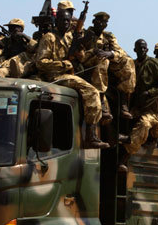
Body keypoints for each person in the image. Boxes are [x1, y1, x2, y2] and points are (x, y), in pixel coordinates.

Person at [32, 9, 109, 149]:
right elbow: (41, 63)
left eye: (68, 20)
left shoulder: (69, 37)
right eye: (63, 20)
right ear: (57, 21)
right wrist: (65, 64)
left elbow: (81, 58)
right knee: (91, 91)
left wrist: (83, 51)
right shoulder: (49, 38)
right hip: (54, 76)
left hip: (69, 74)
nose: (66, 23)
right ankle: (90, 135)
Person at [118, 40, 158, 171]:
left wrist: (150, 92)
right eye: (139, 48)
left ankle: (124, 158)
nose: (142, 50)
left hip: (154, 111)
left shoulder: (152, 63)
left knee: (144, 124)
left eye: (144, 48)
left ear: (147, 50)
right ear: (135, 50)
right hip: (138, 107)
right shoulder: (134, 64)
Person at [81, 12, 136, 120]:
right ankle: (101, 99)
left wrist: (110, 53)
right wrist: (94, 52)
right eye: (99, 21)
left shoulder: (108, 36)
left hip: (104, 63)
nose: (102, 24)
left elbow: (120, 52)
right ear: (93, 22)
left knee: (128, 61)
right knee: (103, 60)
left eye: (104, 22)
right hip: (87, 64)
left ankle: (124, 101)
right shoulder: (85, 34)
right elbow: (80, 54)